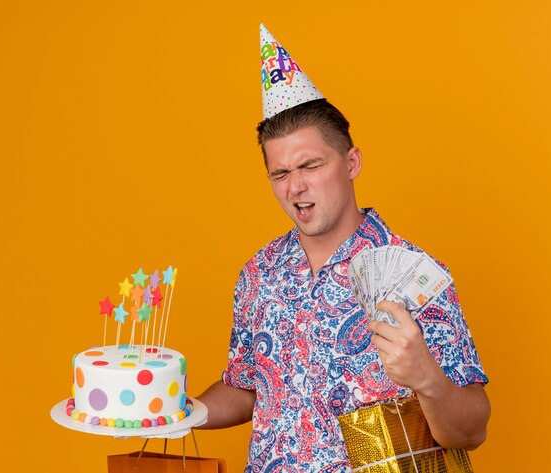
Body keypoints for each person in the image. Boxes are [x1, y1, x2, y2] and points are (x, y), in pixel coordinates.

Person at [197, 25, 490, 473]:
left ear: (351, 163)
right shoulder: (258, 274)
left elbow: (471, 430)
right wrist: (172, 412)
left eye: (311, 165)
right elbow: (247, 390)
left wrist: (426, 378)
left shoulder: (415, 277)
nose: (296, 187)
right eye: (280, 174)